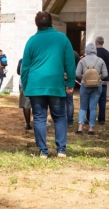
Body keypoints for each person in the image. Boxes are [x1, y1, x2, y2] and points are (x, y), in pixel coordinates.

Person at [20, 11, 76, 158]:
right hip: (55, 84)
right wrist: (70, 82)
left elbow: (25, 67)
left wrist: (26, 86)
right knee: (59, 117)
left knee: (39, 118)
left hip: (36, 84)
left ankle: (43, 151)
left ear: (36, 23)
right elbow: (70, 63)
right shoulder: (62, 38)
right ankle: (61, 150)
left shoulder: (31, 41)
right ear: (51, 22)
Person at [75, 43, 109, 135]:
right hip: (97, 86)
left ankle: (80, 127)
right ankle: (91, 128)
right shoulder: (100, 60)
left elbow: (77, 73)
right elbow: (105, 74)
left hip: (84, 86)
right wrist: (98, 78)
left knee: (83, 107)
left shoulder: (82, 60)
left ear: (86, 50)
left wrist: (84, 78)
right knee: (93, 108)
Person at [94, 36, 109, 124]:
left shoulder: (93, 53)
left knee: (92, 100)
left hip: (92, 80)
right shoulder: (107, 53)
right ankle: (101, 119)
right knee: (102, 101)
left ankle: (90, 117)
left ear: (96, 42)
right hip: (104, 80)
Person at [17, 59, 32, 130]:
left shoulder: (22, 60)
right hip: (37, 85)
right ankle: (40, 122)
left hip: (24, 85)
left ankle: (27, 123)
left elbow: (18, 72)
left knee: (26, 105)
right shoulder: (38, 59)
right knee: (38, 104)